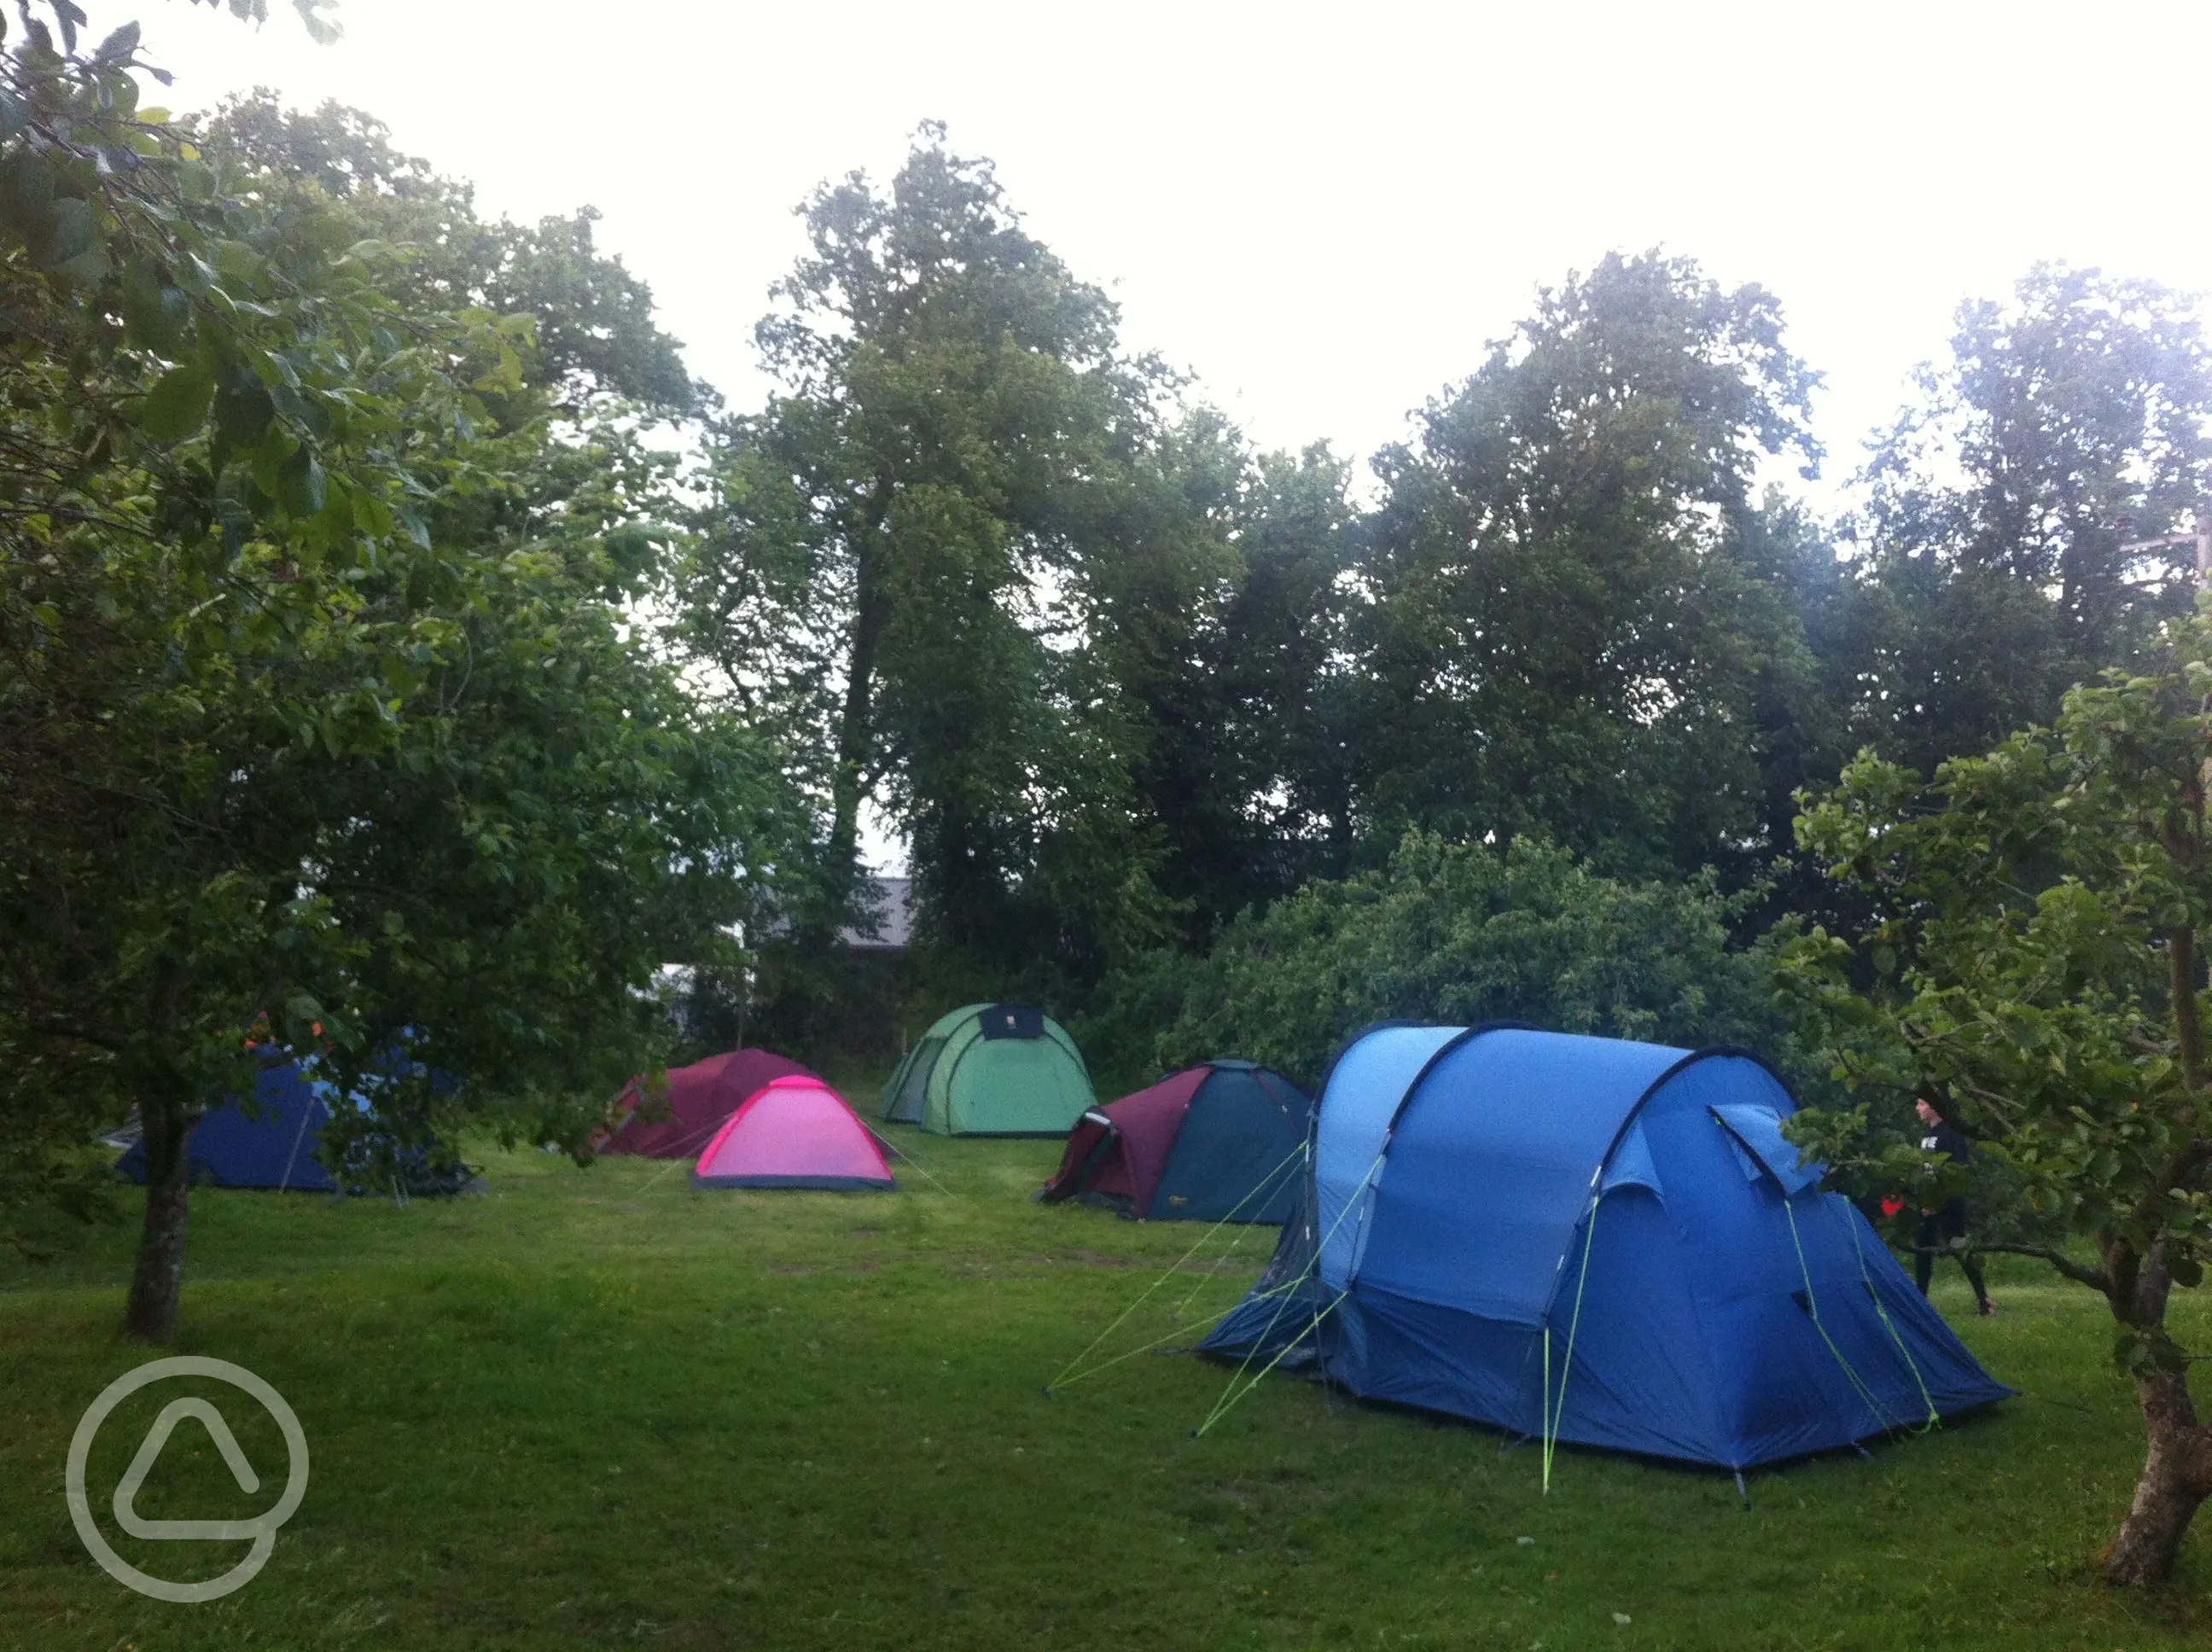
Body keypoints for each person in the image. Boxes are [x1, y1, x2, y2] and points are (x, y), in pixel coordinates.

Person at [1912, 1098, 1994, 1314]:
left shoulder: (1951, 1134)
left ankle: (1984, 1299)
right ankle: (1921, 1301)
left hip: (1949, 1202)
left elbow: (1958, 1171)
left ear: (1934, 1106)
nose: (1917, 1108)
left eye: (1921, 1104)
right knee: (1922, 1250)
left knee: (1959, 1247)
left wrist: (1940, 1202)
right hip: (1927, 1201)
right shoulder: (1926, 1136)